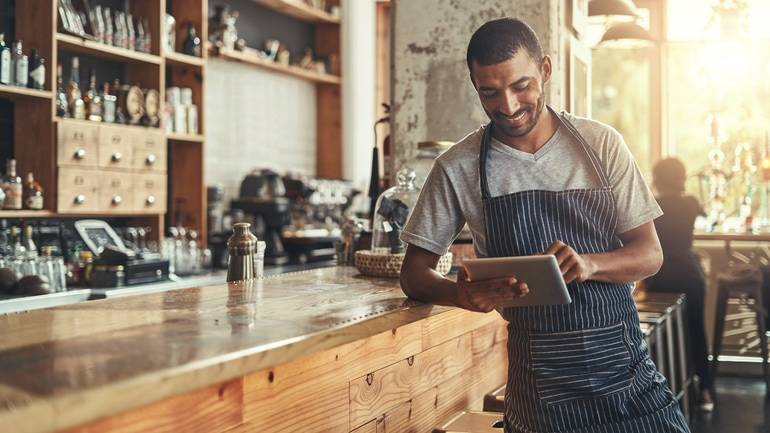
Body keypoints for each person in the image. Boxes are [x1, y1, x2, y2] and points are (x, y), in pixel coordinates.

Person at [398, 18, 690, 433]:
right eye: (490, 92)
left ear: (546, 70)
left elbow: (650, 254)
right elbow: (414, 273)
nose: (509, 106)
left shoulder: (601, 145)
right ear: (474, 85)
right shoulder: (458, 167)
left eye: (521, 86)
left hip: (628, 385)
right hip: (541, 399)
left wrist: (589, 265)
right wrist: (460, 293)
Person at [644, 157, 714, 411]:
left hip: (661, 275)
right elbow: (707, 213)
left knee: (662, 334)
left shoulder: (653, 205)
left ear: (657, 179)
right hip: (690, 274)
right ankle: (705, 391)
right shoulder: (691, 203)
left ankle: (662, 391)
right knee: (696, 331)